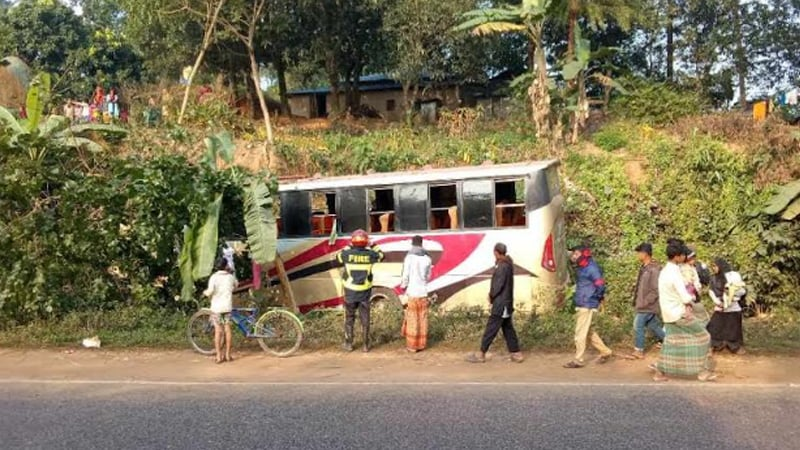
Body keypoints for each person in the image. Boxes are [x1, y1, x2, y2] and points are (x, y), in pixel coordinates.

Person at [653, 241, 716, 382]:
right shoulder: (675, 272)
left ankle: (659, 372)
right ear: (677, 256)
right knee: (704, 337)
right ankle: (703, 371)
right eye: (682, 254)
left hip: (668, 314)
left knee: (671, 342)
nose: (684, 257)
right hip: (679, 313)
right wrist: (691, 299)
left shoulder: (664, 271)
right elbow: (684, 295)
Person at [467, 243, 523, 363]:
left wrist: (491, 295)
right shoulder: (508, 264)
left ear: (496, 252)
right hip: (506, 303)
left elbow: (498, 285)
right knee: (508, 328)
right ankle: (516, 353)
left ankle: (481, 353)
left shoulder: (502, 266)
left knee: (491, 328)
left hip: (500, 304)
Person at [563, 246, 613, 368]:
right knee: (588, 331)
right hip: (583, 302)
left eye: (576, 254)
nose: (573, 256)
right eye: (573, 254)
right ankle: (606, 351)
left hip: (587, 303)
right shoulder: (582, 267)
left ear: (583, 254)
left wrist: (596, 298)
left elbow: (600, 285)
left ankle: (578, 359)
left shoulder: (591, 268)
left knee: (580, 332)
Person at [336, 229, 384, 352]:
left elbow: (338, 257)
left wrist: (349, 245)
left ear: (353, 241)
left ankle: (349, 344)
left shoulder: (347, 254)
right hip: (364, 292)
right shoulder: (370, 255)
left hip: (350, 292)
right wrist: (373, 245)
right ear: (365, 242)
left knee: (349, 318)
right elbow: (382, 255)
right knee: (365, 319)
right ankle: (365, 345)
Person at [631, 243, 665, 359]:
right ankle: (670, 342)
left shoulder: (654, 269)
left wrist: (645, 302)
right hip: (643, 304)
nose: (637, 255)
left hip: (648, 305)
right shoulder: (644, 268)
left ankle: (639, 350)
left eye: (639, 253)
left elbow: (656, 289)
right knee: (654, 326)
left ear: (645, 254)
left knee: (638, 325)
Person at [400, 235, 433, 353]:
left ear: (412, 244)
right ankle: (421, 345)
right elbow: (428, 277)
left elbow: (405, 276)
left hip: (412, 292)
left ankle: (412, 346)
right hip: (423, 293)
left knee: (413, 319)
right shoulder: (428, 259)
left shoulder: (409, 258)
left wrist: (403, 287)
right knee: (422, 318)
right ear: (421, 244)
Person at [706, 258, 746, 354]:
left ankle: (734, 346)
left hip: (732, 306)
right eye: (713, 266)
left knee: (733, 328)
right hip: (720, 306)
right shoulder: (714, 278)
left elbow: (740, 290)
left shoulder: (732, 276)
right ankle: (715, 344)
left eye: (715, 266)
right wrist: (717, 301)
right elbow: (711, 291)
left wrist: (730, 298)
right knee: (714, 327)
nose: (714, 268)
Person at [203, 258, 237, 364]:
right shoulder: (230, 277)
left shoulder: (214, 277)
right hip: (227, 307)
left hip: (217, 308)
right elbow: (236, 285)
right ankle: (227, 354)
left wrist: (205, 293)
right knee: (227, 329)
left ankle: (218, 356)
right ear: (226, 266)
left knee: (218, 331)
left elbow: (210, 291)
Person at [681, 247, 709, 325]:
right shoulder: (681, 268)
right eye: (692, 258)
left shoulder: (693, 268)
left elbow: (697, 280)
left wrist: (697, 287)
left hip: (694, 294)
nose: (694, 260)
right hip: (686, 295)